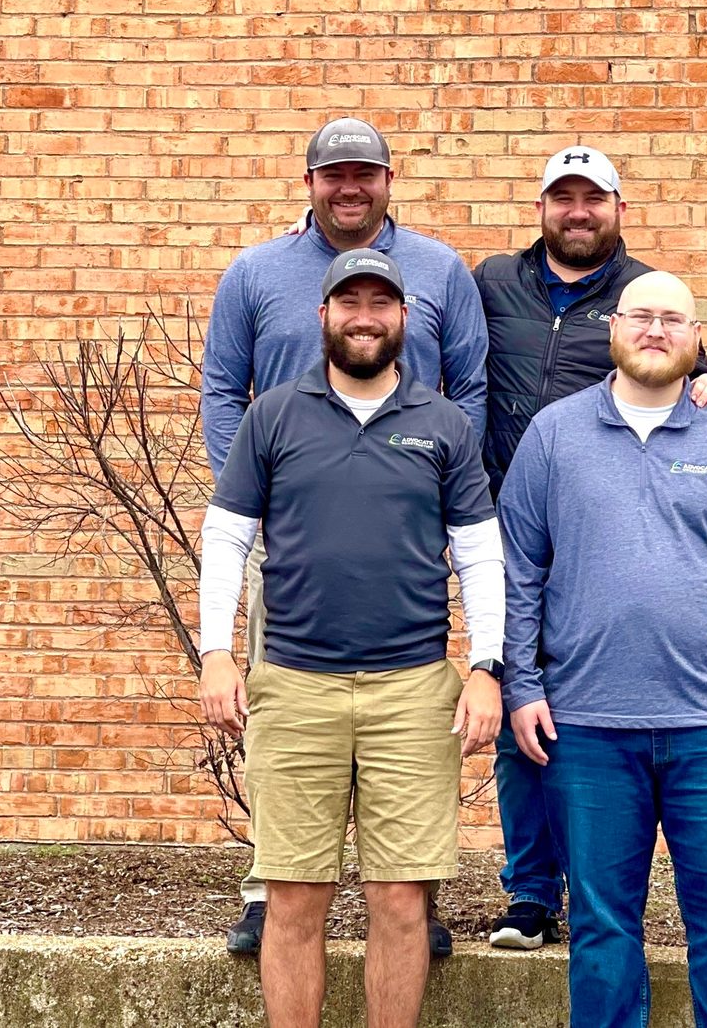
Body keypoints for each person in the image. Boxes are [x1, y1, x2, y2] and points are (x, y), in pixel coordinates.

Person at [199, 117, 489, 957]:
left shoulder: (438, 269)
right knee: (284, 697)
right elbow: (225, 385)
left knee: (410, 700)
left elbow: (468, 383)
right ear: (309, 181)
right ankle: (271, 885)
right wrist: (264, 487)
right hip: (282, 512)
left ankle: (411, 895)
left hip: (410, 505)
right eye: (334, 173)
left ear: (390, 180)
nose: (349, 187)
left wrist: (436, 483)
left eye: (365, 173)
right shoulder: (256, 271)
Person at [498, 270, 707, 1028]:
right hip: (587, 728)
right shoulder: (555, 434)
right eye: (640, 315)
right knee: (603, 933)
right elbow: (518, 569)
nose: (655, 329)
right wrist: (522, 682)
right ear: (612, 328)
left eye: (673, 318)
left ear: (697, 337)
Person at [472, 145, 707, 950]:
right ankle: (530, 891)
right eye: (564, 197)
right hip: (507, 523)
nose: (578, 211)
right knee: (523, 691)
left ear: (619, 209)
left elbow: (689, 362)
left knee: (570, 709)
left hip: (605, 526)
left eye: (594, 198)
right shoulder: (490, 283)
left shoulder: (642, 295)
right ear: (542, 207)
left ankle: (572, 882)